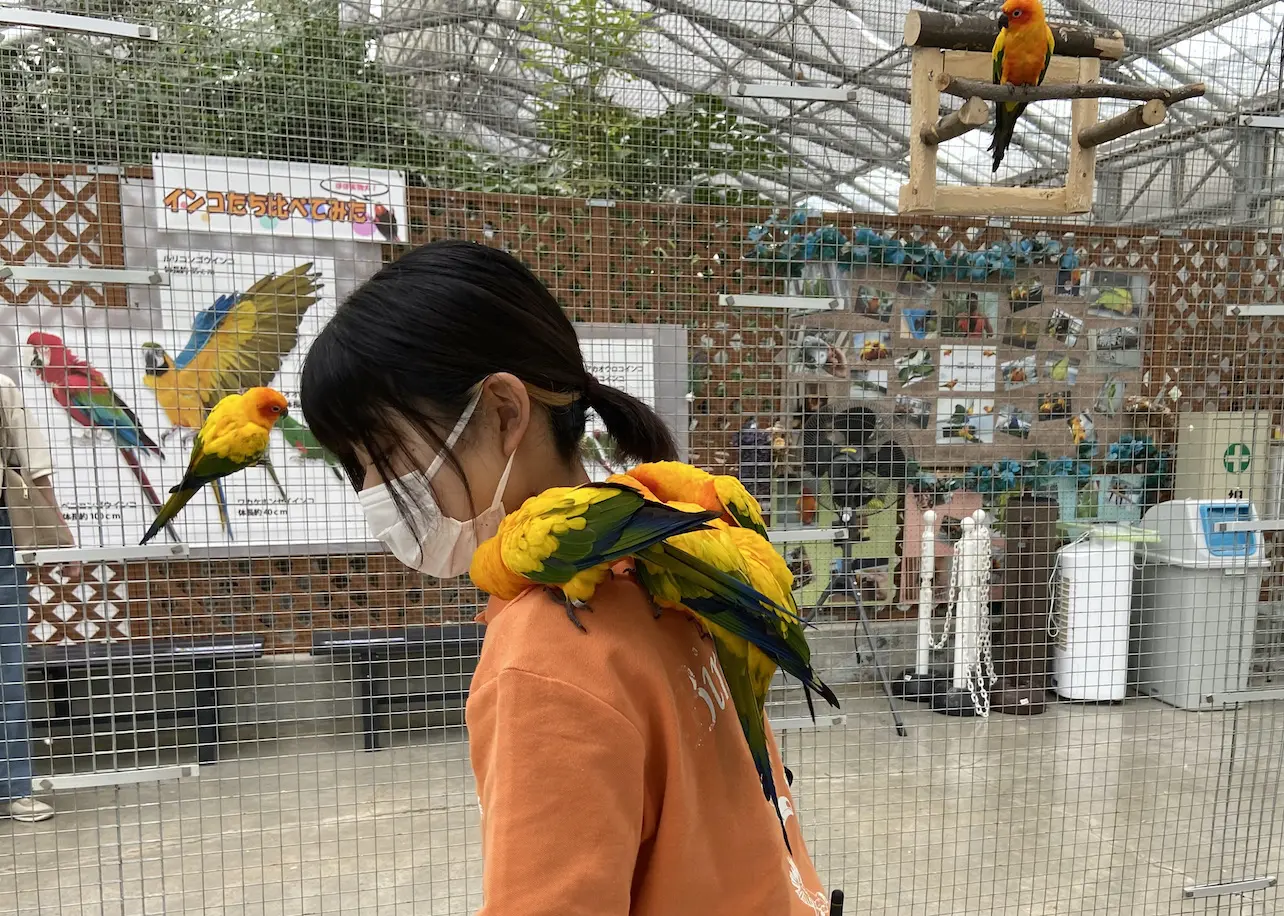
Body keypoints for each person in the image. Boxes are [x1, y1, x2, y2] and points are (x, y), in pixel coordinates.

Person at [299, 240, 830, 915]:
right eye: (355, 468)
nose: (374, 488)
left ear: (503, 411)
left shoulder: (545, 660)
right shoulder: (666, 552)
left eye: (383, 453)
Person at [0, 373, 77, 823]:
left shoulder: (2, 387)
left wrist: (63, 540)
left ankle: (13, 786)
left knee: (7, 661)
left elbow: (35, 463)